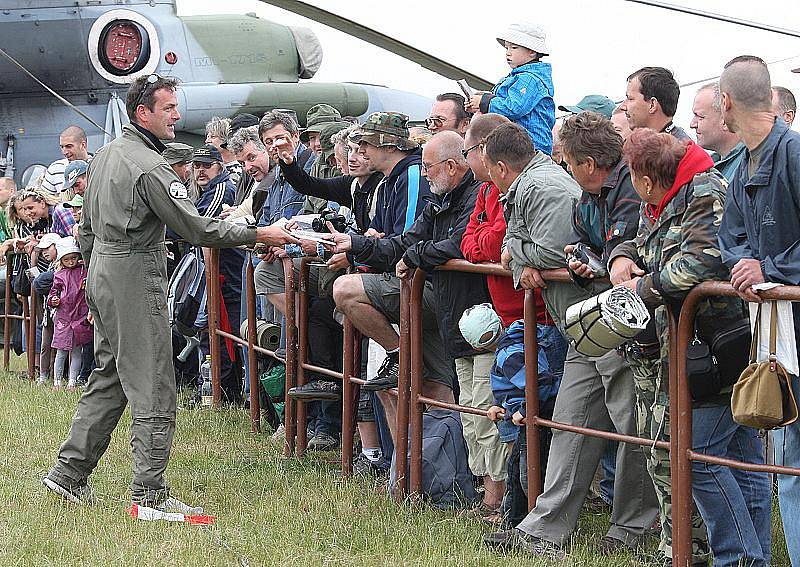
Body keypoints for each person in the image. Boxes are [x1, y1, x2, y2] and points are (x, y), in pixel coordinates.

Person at [42, 74, 298, 511]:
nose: (177, 115)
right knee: (155, 383)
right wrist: (260, 231)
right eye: (169, 109)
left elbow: (85, 228)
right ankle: (150, 494)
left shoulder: (105, 155)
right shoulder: (150, 166)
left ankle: (68, 475)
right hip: (131, 271)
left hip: (103, 269)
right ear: (143, 113)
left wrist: (94, 275)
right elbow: (196, 227)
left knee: (110, 375)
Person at [482, 122, 656, 559]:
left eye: (567, 160)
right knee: (571, 422)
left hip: (618, 324)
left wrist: (518, 250)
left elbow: (549, 250)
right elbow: (570, 248)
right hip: (586, 323)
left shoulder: (624, 192)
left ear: (588, 164)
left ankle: (633, 529)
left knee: (633, 425)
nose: (562, 166)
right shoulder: (588, 196)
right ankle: (546, 528)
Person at [613, 126, 771, 567]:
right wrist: (621, 256)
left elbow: (704, 259)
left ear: (646, 178)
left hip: (718, 345)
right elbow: (640, 237)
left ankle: (739, 557)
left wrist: (644, 285)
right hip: (698, 345)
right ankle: (751, 557)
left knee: (702, 457)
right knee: (740, 460)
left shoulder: (703, 191)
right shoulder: (669, 189)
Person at [330, 132, 480, 449]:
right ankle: (411, 468)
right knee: (421, 385)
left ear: (452, 166)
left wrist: (414, 256)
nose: (424, 173)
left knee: (454, 395)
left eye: (428, 167)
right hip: (434, 299)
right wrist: (357, 244)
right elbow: (405, 242)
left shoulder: (476, 193)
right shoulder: (440, 197)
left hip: (464, 308)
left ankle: (454, 474)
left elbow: (459, 244)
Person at [717, 55, 800, 567]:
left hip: (790, 324)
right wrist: (747, 264)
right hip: (780, 335)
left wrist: (765, 267)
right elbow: (731, 241)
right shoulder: (744, 163)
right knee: (790, 459)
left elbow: (752, 253)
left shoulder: (791, 155)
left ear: (726, 102)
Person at [466, 22, 555, 155]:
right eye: (507, 48)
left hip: (532, 147)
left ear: (532, 51)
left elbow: (514, 107)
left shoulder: (530, 79)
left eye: (514, 47)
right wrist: (481, 101)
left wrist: (485, 102)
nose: (508, 53)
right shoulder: (520, 77)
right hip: (521, 145)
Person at [47, 237, 91, 391]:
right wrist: (54, 300)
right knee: (61, 351)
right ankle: (57, 381)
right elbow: (53, 293)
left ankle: (72, 381)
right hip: (64, 317)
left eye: (74, 258)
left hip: (80, 316)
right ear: (62, 260)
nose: (71, 262)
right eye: (67, 259)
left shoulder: (84, 272)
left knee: (77, 350)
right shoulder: (59, 275)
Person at [690, 82, 746, 180]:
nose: (692, 124)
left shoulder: (747, 167)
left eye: (700, 117)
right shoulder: (709, 165)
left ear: (725, 120)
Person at [621, 67, 691, 140]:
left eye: (630, 99)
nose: (623, 107)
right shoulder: (646, 144)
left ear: (652, 105)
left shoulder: (680, 149)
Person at [41, 126, 91, 196]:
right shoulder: (55, 169)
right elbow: (43, 201)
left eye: (69, 146)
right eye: (62, 147)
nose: (64, 152)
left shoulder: (98, 166)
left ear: (83, 145)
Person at [205, 116, 242, 186]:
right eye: (207, 137)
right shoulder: (209, 166)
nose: (207, 141)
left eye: (213, 137)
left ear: (226, 139)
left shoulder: (241, 168)